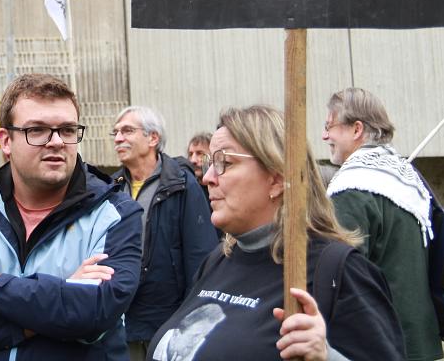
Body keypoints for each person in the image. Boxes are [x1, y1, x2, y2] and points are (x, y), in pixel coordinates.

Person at [148, 105, 406, 361]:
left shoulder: (338, 271)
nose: (208, 178)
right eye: (209, 164)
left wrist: (327, 356)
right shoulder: (219, 260)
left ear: (277, 179)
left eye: (224, 162)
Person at [0, 73, 143, 360]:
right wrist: (61, 297)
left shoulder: (115, 213)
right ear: (5, 141)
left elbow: (95, 313)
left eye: (67, 130)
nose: (57, 141)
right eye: (37, 130)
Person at [323, 88, 442, 361]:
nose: (324, 136)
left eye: (329, 126)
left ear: (356, 129)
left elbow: (340, 279)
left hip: (377, 345)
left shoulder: (352, 188)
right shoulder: (408, 179)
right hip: (420, 343)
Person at [111, 106, 216, 360]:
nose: (118, 139)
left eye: (127, 131)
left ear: (153, 138)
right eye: (115, 133)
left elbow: (200, 255)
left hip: (168, 321)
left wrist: (190, 318)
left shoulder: (181, 184)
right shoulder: (112, 188)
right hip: (121, 320)